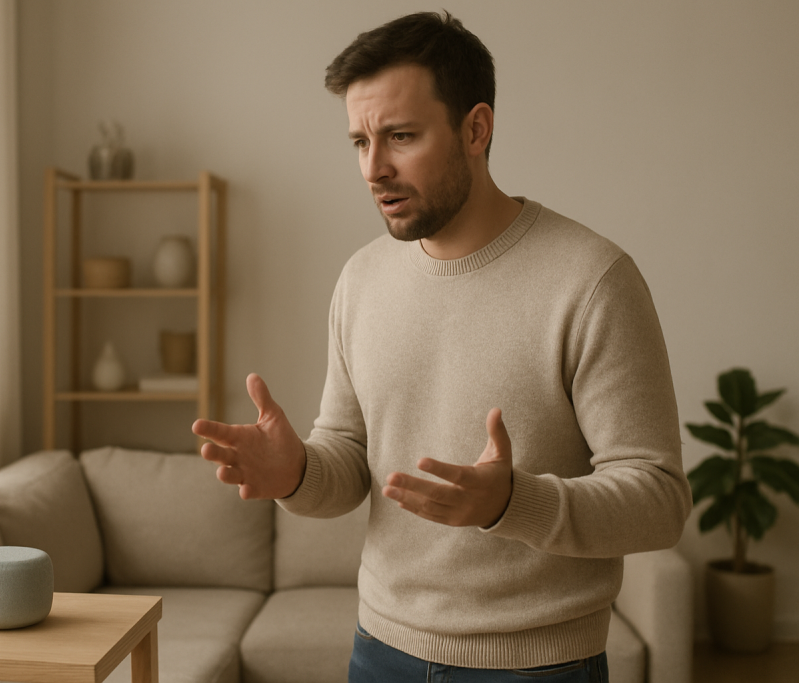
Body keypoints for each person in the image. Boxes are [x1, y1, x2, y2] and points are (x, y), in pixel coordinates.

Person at [192, 11, 691, 682]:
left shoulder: (592, 280)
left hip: (538, 665)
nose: (374, 168)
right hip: (379, 650)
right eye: (359, 142)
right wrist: (296, 473)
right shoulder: (361, 279)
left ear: (476, 129)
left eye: (400, 136)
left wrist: (514, 502)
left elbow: (660, 503)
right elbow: (347, 462)